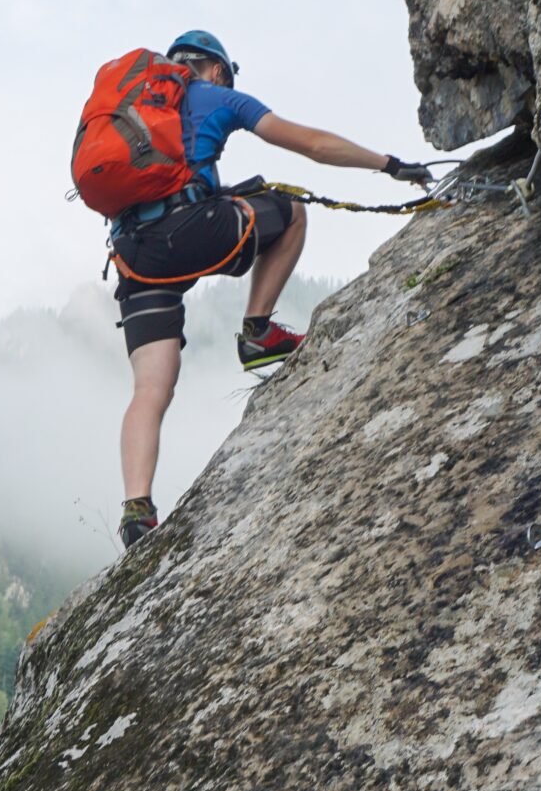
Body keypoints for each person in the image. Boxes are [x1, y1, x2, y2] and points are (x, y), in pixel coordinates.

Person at [111, 29, 427, 550]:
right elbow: (312, 145)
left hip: (132, 256)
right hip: (188, 234)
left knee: (150, 389)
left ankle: (137, 510)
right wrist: (389, 165)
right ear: (216, 68)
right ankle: (257, 331)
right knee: (290, 209)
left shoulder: (137, 113)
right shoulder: (216, 95)